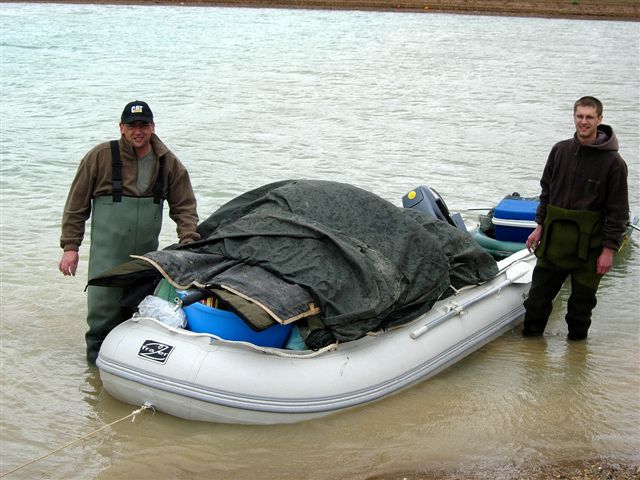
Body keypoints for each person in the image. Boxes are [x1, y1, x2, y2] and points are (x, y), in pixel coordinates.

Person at [58, 100, 200, 363]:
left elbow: (185, 207)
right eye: (132, 125)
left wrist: (189, 242)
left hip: (144, 260)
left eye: (143, 125)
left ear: (152, 127)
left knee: (138, 320)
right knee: (101, 321)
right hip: (106, 259)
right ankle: (95, 384)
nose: (138, 131)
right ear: (121, 127)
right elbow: (76, 205)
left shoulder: (168, 163)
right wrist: (70, 247)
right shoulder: (100, 156)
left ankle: (127, 378)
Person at [522, 96, 629, 340]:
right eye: (579, 116)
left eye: (589, 117)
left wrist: (609, 250)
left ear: (599, 119)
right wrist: (539, 227)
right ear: (574, 117)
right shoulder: (559, 151)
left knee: (581, 309)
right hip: (553, 242)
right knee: (537, 301)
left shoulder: (614, 163)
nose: (584, 121)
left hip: (590, 248)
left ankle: (577, 357)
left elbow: (618, 211)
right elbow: (546, 192)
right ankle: (530, 355)